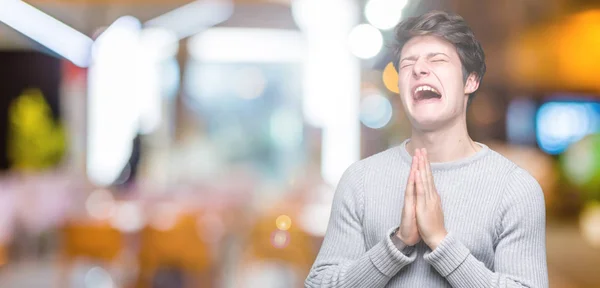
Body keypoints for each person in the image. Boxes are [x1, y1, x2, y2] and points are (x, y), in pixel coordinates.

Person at [305, 10, 548, 288]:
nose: (419, 69)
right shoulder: (358, 182)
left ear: (471, 80)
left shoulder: (516, 189)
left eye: (437, 60)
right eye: (408, 64)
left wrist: (441, 243)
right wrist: (397, 244)